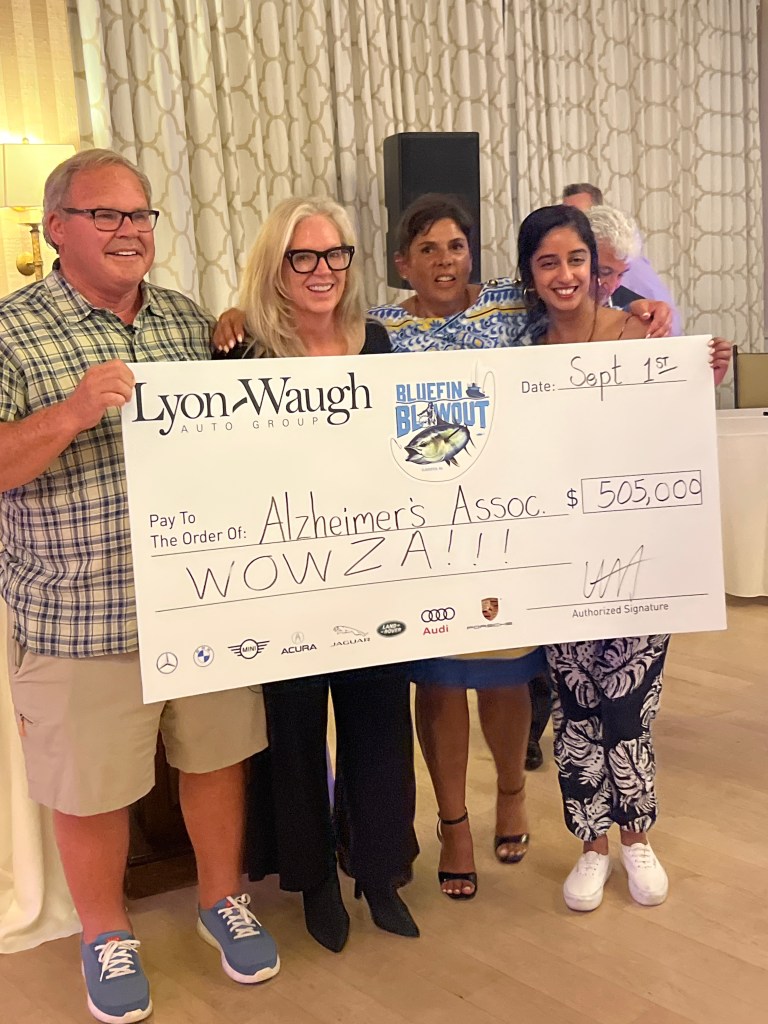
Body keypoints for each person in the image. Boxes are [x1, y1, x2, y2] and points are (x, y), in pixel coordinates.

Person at [214, 193, 675, 900]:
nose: (443, 260)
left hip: (511, 528)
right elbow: (297, 320)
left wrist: (646, 306)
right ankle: (453, 825)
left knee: (511, 676)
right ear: (402, 263)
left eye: (455, 246)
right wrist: (237, 314)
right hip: (422, 536)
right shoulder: (381, 327)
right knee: (438, 681)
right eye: (426, 249)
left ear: (473, 254)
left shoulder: (511, 310)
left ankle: (514, 798)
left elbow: (582, 289)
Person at [0, 149, 279, 1024]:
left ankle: (221, 898)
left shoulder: (187, 321)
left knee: (216, 757)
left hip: (199, 598)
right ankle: (104, 934)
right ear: (57, 228)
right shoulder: (11, 333)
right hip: (78, 612)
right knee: (90, 788)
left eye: (140, 215)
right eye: (106, 215)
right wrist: (74, 411)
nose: (129, 231)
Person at [516, 203, 731, 912]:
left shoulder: (644, 335)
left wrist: (705, 369)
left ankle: (637, 838)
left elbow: (674, 420)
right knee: (575, 709)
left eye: (576, 259)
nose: (565, 274)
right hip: (561, 564)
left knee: (630, 706)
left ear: (597, 266)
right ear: (530, 274)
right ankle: (591, 846)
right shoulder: (520, 357)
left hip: (642, 558)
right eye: (548, 262)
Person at [221, 196, 419, 953]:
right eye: (302, 256)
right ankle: (314, 884)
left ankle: (379, 872)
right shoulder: (243, 355)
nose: (322, 270)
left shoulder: (378, 344)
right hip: (284, 581)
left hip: (372, 576)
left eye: (335, 254)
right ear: (276, 266)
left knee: (380, 726)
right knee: (295, 734)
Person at [562, 182, 683, 335]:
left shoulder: (628, 260)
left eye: (581, 216)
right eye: (566, 216)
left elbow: (665, 327)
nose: (612, 286)